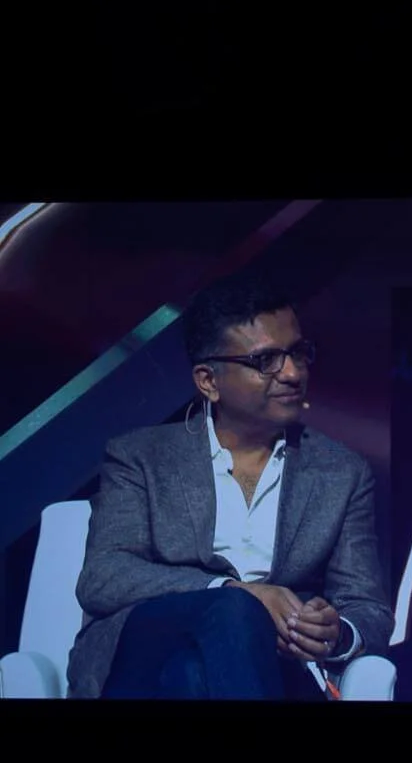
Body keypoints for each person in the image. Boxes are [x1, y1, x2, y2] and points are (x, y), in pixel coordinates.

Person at [68, 270, 391, 700]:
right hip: (145, 658)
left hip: (271, 667)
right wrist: (233, 592)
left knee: (190, 677)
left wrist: (337, 632)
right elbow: (104, 576)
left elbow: (366, 606)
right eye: (266, 361)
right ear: (208, 381)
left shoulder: (341, 472)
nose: (293, 373)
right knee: (233, 613)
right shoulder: (141, 457)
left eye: (298, 353)